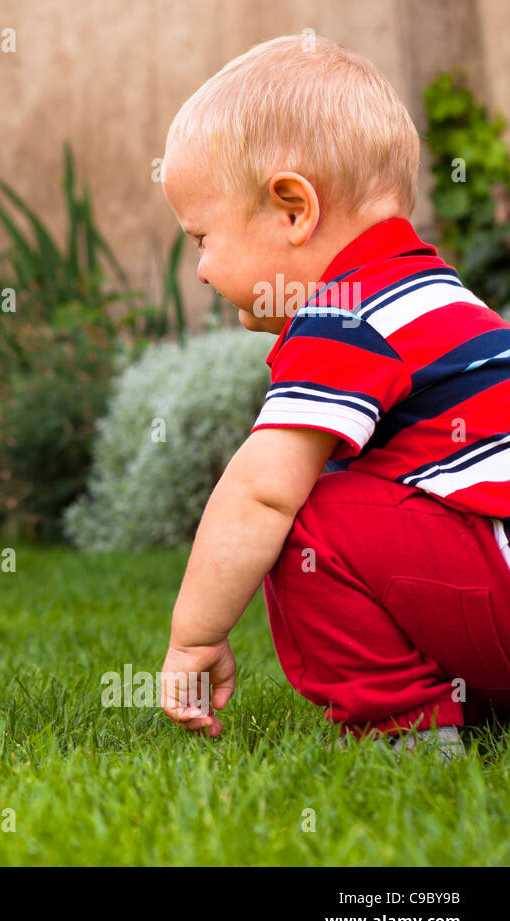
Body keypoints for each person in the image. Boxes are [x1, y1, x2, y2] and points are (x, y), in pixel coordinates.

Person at [155, 34, 510, 756]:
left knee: (305, 517)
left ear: (292, 210)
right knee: (352, 481)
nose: (199, 269)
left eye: (201, 237)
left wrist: (195, 636)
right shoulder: (434, 295)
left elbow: (260, 494)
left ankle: (403, 730)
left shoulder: (344, 312)